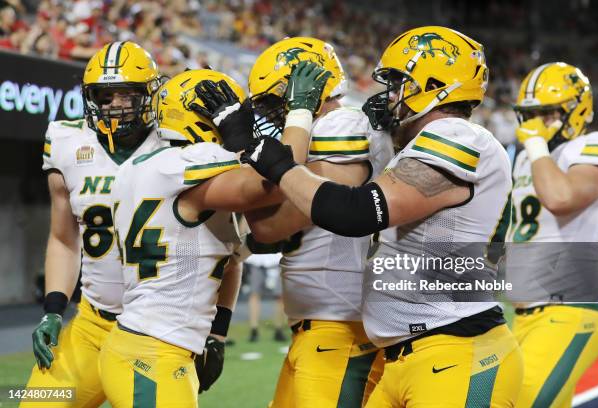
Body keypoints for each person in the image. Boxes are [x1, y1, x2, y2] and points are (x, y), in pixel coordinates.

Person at [243, 26, 523, 406]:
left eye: (397, 84)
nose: (389, 96)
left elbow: (356, 212)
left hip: (456, 347)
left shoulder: (457, 135)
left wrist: (281, 166)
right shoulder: (414, 145)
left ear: (434, 85)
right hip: (406, 354)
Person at [100, 68, 289, 407]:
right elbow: (281, 181)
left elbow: (230, 261)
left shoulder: (137, 166)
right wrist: (246, 143)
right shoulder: (193, 161)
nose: (237, 123)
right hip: (153, 353)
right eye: (228, 115)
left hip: (149, 344)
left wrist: (216, 334)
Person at [243, 37, 393, 407]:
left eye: (279, 100)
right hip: (320, 326)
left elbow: (271, 226)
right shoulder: (319, 130)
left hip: (340, 325)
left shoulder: (341, 124)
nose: (275, 114)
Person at [22, 41, 165, 408]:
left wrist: (216, 328)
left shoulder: (177, 144)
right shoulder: (68, 143)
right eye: (105, 95)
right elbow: (63, 238)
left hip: (156, 332)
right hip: (93, 322)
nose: (115, 104)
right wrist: (54, 310)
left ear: (149, 95)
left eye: (127, 94)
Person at [508, 62, 598, 407]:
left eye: (549, 113)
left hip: (567, 312)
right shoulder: (528, 161)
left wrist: (536, 145)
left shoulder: (595, 146)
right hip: (524, 316)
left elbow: (560, 198)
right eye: (531, 114)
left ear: (576, 111)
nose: (538, 122)